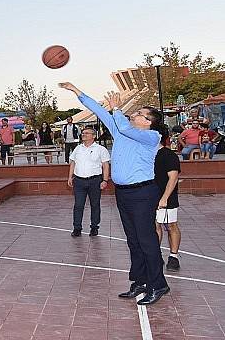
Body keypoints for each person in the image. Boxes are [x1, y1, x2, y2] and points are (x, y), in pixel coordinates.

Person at [59, 82, 169, 305]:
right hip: (124, 194)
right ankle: (139, 281)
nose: (134, 114)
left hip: (143, 193)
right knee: (133, 240)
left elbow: (126, 127)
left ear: (149, 122)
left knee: (147, 240)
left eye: (139, 113)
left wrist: (117, 110)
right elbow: (100, 111)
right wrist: (76, 90)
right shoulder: (120, 130)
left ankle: (158, 285)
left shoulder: (152, 137)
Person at [68, 127, 111, 237]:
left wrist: (105, 180)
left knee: (95, 205)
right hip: (79, 181)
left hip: (95, 181)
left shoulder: (101, 149)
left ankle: (94, 227)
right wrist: (70, 177)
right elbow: (72, 163)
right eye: (83, 133)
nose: (84, 135)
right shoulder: (78, 148)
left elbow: (105, 166)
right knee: (78, 205)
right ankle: (77, 228)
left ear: (94, 136)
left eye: (87, 133)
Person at [155, 126, 182, 272]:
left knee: (171, 225)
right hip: (149, 196)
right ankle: (155, 254)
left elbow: (173, 177)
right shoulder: (145, 154)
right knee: (155, 225)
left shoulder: (168, 155)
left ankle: (174, 256)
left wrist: (165, 197)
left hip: (167, 196)